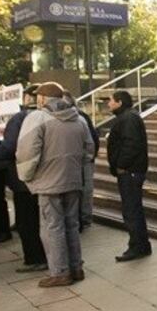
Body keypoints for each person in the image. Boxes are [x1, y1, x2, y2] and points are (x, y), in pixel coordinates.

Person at [16, 82, 94, 287]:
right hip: (73, 179)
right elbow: (89, 150)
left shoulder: (37, 118)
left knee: (52, 228)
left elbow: (27, 152)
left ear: (41, 99)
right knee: (72, 225)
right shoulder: (79, 119)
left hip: (48, 182)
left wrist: (27, 176)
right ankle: (76, 267)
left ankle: (60, 271)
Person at [0, 85, 46, 272]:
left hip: (24, 179)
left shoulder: (20, 118)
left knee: (28, 221)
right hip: (48, 176)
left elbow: (9, 148)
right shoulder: (55, 116)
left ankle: (35, 258)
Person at [107, 90, 151, 261]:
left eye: (111, 101)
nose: (108, 104)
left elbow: (131, 145)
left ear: (119, 102)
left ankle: (138, 246)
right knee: (132, 209)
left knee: (132, 210)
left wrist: (121, 165)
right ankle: (140, 245)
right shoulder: (127, 118)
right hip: (130, 171)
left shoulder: (128, 119)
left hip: (130, 172)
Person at [63, 92, 99, 231]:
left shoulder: (81, 117)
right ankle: (82, 219)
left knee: (84, 191)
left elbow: (91, 141)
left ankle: (84, 219)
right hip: (78, 160)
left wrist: (89, 157)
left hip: (83, 161)